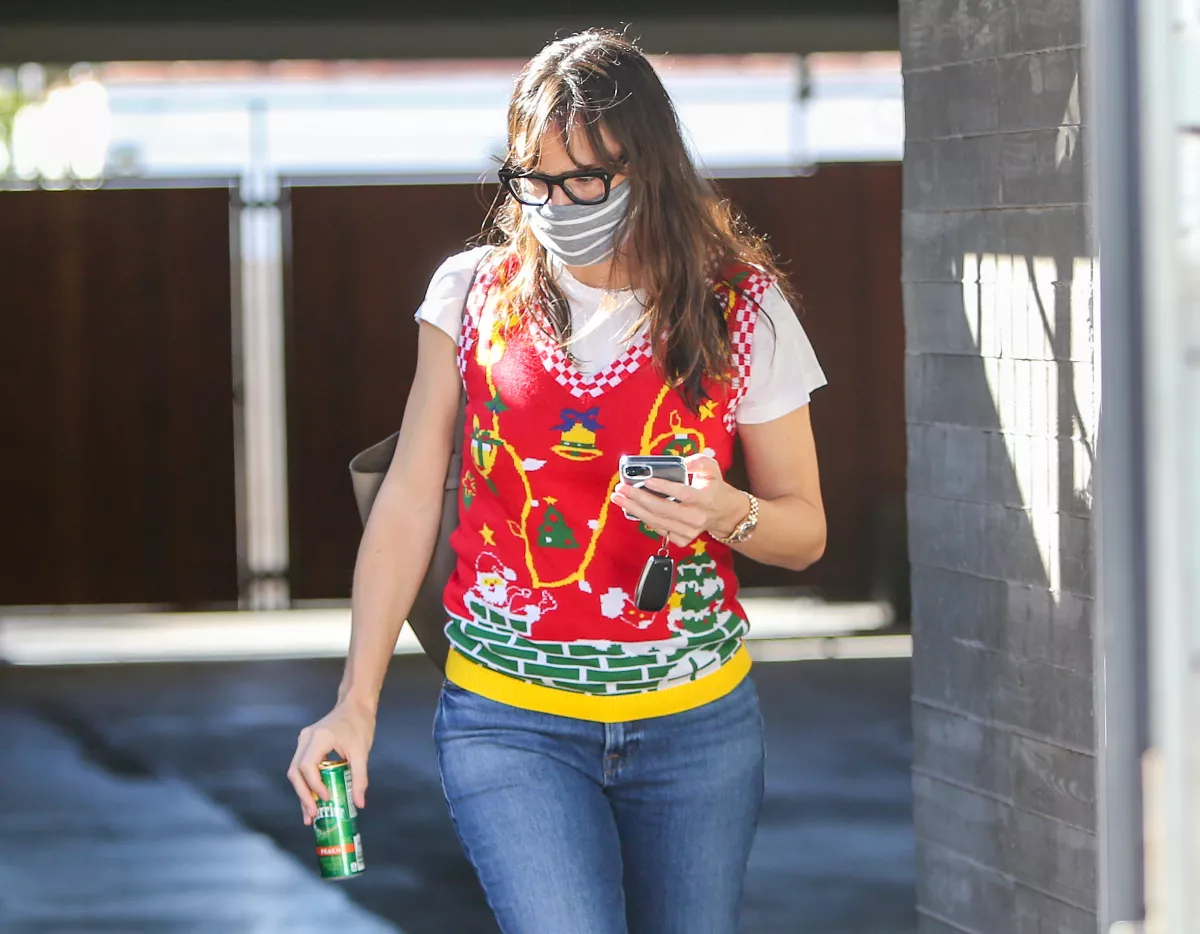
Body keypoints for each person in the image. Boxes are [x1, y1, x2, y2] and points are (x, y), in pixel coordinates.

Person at [288, 28, 827, 934]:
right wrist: (355, 703)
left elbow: (805, 531)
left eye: (583, 179)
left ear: (648, 167)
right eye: (532, 180)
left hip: (698, 727)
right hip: (509, 722)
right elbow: (412, 496)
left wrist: (726, 512)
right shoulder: (469, 295)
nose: (555, 203)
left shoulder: (744, 310)